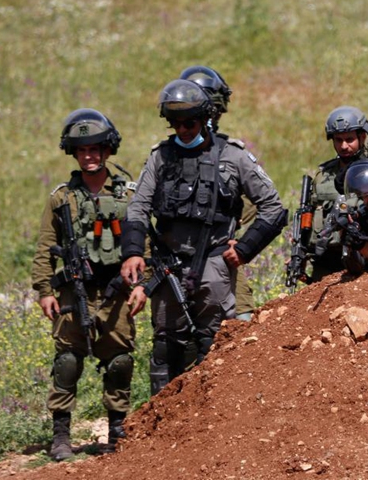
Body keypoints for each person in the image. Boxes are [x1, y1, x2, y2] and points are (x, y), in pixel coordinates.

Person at [120, 79, 286, 396]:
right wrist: (132, 253)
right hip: (169, 268)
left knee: (214, 344)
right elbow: (138, 207)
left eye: (190, 123)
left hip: (215, 265)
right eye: (175, 123)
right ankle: (161, 427)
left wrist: (247, 248)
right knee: (166, 346)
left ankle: (210, 422)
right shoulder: (160, 157)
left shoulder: (234, 156)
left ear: (205, 118)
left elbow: (273, 208)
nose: (182, 130)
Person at [31, 108, 136, 460]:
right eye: (82, 150)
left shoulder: (127, 195)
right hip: (72, 291)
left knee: (119, 361)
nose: (89, 156)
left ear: (107, 150)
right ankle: (61, 435)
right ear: (74, 154)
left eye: (95, 149)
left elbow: (143, 245)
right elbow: (45, 246)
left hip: (116, 292)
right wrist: (44, 291)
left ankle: (117, 431)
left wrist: (141, 284)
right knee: (67, 362)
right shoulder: (62, 198)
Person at [179, 65, 255, 321]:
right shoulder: (168, 155)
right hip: (178, 263)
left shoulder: (231, 153)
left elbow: (266, 204)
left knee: (240, 327)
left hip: (222, 261)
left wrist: (240, 242)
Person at [309, 105, 368, 281]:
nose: (344, 146)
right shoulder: (323, 175)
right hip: (326, 258)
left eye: (350, 139)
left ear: (362, 137)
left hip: (365, 255)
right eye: (338, 140)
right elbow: (311, 211)